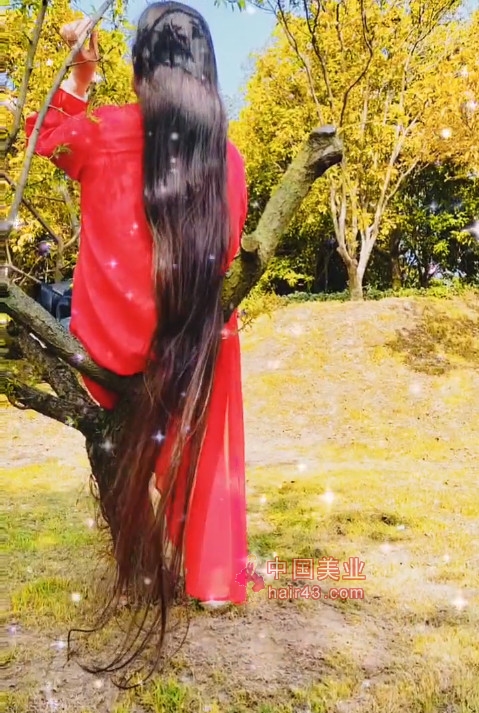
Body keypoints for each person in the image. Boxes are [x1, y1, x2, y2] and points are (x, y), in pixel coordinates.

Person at [26, 2, 249, 677]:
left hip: (108, 350)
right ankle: (213, 574)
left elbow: (43, 138)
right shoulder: (227, 157)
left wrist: (79, 75)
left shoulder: (100, 133)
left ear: (140, 68)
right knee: (219, 336)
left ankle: (143, 554)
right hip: (186, 355)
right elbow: (228, 252)